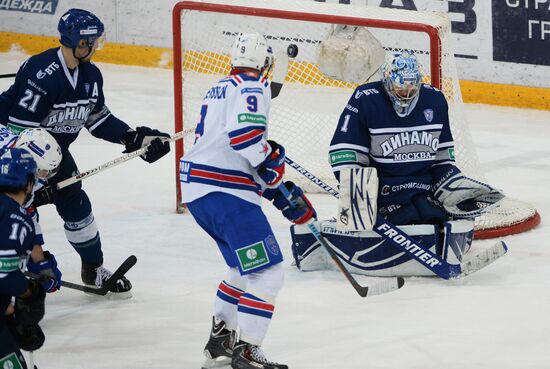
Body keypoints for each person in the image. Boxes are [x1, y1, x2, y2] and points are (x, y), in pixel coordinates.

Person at [0, 8, 172, 294]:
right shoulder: (42, 74)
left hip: (51, 155)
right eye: (89, 42)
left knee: (76, 202)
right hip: (12, 151)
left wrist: (132, 137)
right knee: (18, 211)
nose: (94, 47)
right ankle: (18, 274)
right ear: (76, 41)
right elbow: (21, 138)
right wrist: (34, 187)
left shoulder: (91, 75)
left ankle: (93, 269)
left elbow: (97, 118)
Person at [180, 33, 315, 369]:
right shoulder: (251, 86)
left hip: (199, 193)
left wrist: (275, 188)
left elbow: (233, 152)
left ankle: (220, 342)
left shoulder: (220, 87)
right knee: (267, 274)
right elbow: (244, 140)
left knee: (241, 268)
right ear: (265, 63)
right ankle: (248, 351)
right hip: (226, 195)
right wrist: (272, 162)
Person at [0, 148, 49, 369]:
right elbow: (5, 274)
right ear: (28, 184)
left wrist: (10, 315)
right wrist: (29, 294)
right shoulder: (16, 219)